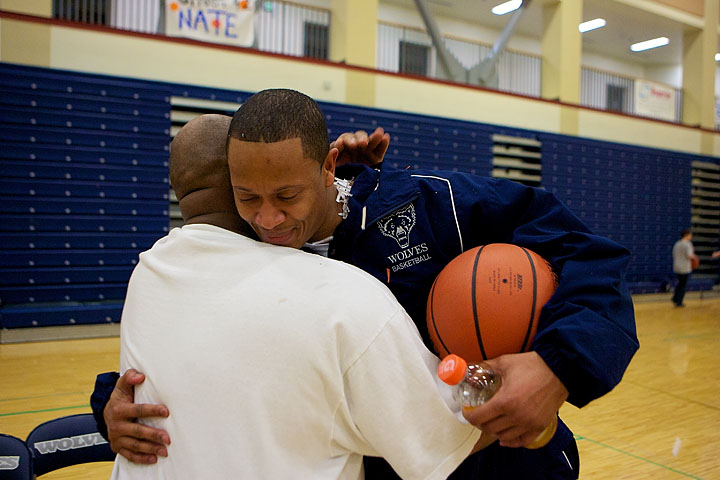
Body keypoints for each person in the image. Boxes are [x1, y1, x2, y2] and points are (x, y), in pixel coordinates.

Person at [95, 89, 639, 479]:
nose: (267, 218)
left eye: (287, 196)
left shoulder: (431, 206)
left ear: (329, 165)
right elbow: (201, 346)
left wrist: (556, 367)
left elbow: (592, 254)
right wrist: (110, 405)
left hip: (502, 459)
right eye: (248, 197)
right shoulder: (247, 248)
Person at [109, 113, 490, 479]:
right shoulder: (344, 297)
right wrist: (515, 377)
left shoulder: (146, 277)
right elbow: (441, 438)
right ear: (242, 178)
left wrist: (104, 406)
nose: (272, 216)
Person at [671, 228, 698, 307]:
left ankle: (675, 297)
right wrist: (695, 257)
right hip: (685, 267)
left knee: (680, 283)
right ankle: (679, 301)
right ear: (687, 235)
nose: (691, 236)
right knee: (683, 285)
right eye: (690, 235)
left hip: (677, 266)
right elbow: (689, 255)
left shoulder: (677, 243)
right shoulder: (688, 244)